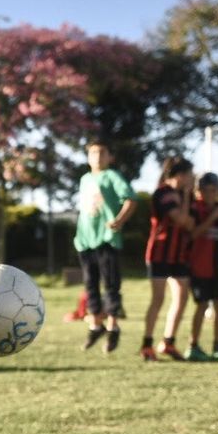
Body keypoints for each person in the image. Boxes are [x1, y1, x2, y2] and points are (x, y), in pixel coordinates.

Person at [71, 142, 136, 353]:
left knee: (110, 284)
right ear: (88, 157)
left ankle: (112, 327)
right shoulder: (85, 179)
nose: (97, 156)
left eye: (102, 152)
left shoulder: (112, 176)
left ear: (110, 157)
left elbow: (131, 199)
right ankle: (95, 325)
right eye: (93, 153)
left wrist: (119, 220)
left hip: (106, 238)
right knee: (90, 284)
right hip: (85, 240)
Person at [140, 156, 196, 361]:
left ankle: (168, 342)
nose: (192, 179)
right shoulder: (164, 193)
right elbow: (182, 220)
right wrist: (188, 198)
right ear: (181, 175)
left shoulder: (182, 195)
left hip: (179, 255)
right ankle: (147, 345)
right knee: (159, 299)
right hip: (159, 253)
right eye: (190, 175)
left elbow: (190, 225)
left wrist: (187, 198)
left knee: (182, 296)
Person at [184, 171, 218, 360]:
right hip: (198, 265)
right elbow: (192, 234)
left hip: (217, 265)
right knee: (201, 305)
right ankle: (193, 345)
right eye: (206, 190)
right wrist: (211, 218)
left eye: (214, 190)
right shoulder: (195, 209)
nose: (210, 194)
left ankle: (217, 346)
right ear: (199, 191)